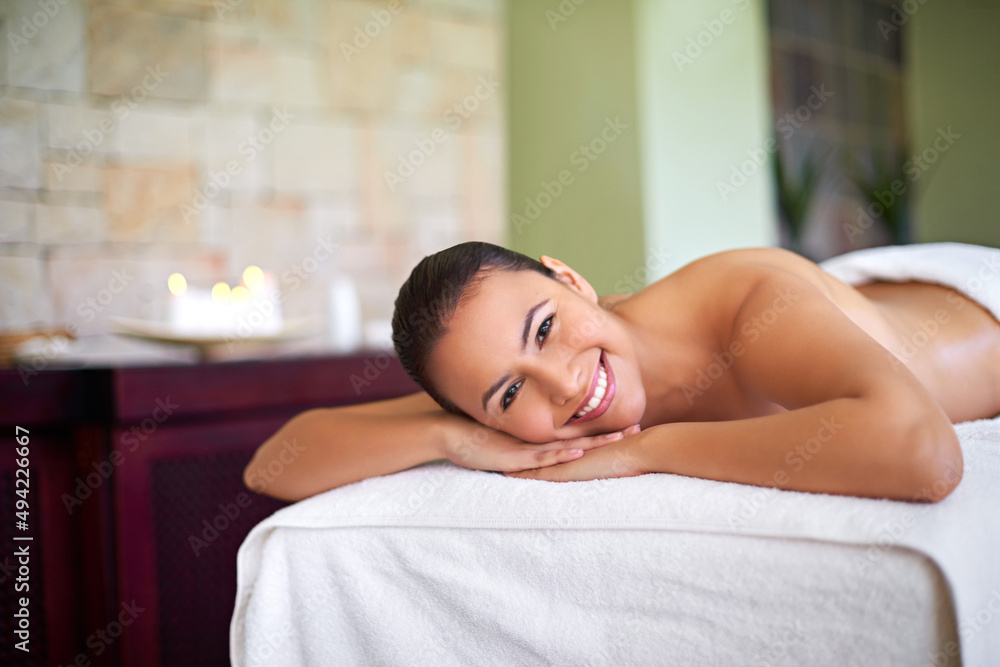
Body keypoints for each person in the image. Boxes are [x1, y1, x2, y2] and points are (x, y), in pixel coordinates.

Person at [245, 242, 1000, 503]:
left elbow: (923, 453)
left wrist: (644, 450)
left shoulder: (744, 307)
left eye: (544, 327)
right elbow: (276, 461)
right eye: (508, 393)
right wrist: (451, 439)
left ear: (571, 278)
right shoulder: (494, 404)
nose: (563, 385)